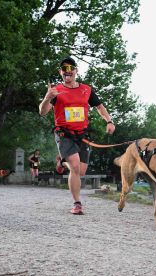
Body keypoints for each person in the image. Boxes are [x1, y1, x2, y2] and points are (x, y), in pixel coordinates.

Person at [39, 56, 115, 215]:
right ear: (60, 72)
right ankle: (77, 203)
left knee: (80, 171)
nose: (67, 72)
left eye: (70, 68)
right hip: (64, 133)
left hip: (82, 134)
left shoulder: (86, 89)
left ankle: (62, 161)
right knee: (74, 166)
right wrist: (47, 98)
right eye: (64, 69)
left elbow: (100, 107)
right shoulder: (56, 90)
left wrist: (109, 121)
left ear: (76, 70)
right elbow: (42, 112)